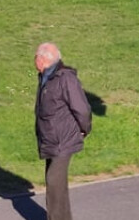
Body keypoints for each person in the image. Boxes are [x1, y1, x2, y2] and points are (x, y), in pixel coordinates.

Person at [34, 43, 92, 220]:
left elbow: (82, 108)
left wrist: (85, 129)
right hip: (50, 139)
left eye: (35, 56)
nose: (34, 60)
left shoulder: (65, 78)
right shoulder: (46, 76)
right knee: (56, 186)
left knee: (54, 184)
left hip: (62, 140)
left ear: (43, 59)